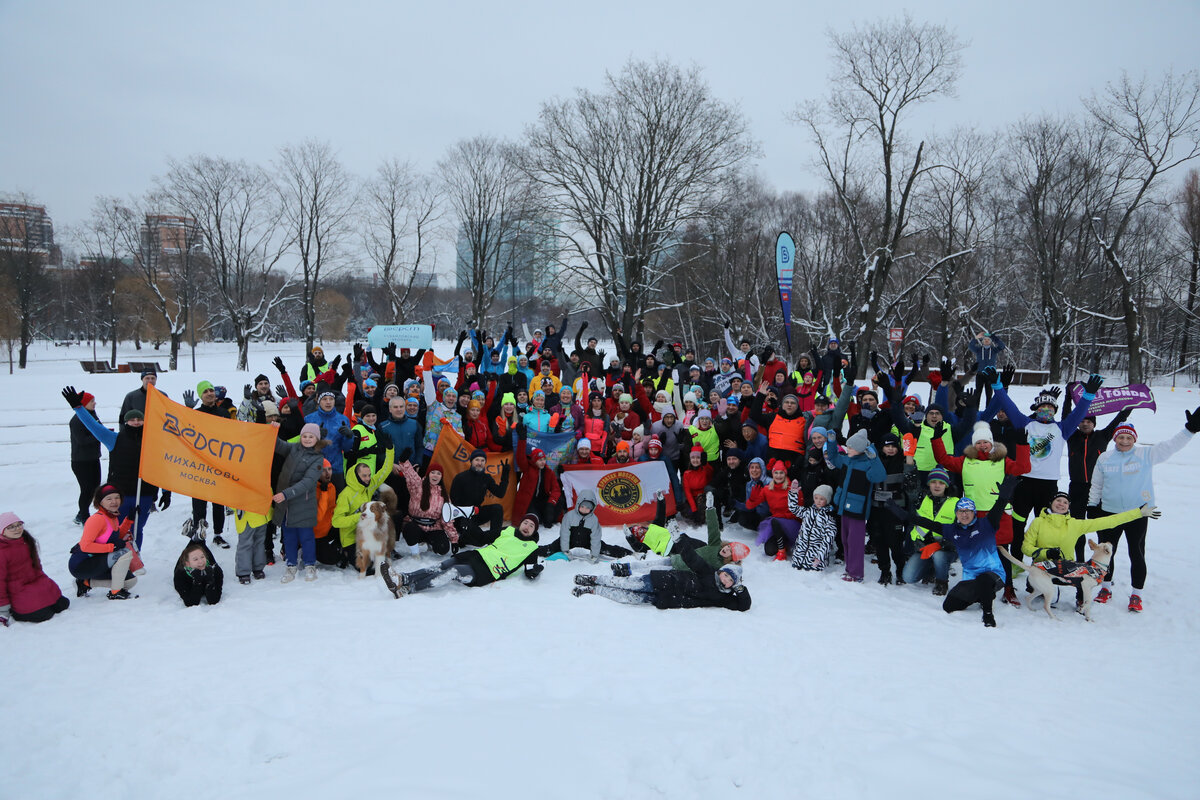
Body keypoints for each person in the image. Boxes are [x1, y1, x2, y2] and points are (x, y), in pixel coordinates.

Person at [1088, 411, 1199, 612]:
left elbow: (1170, 446)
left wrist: (1189, 430)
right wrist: (1092, 505)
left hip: (1138, 513)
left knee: (1136, 553)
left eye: (1128, 438)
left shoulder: (1145, 455)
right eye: (1121, 437)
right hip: (1109, 514)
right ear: (1115, 438)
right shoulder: (1105, 457)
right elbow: (1097, 484)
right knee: (1105, 554)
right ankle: (1105, 588)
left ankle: (1136, 595)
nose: (1124, 441)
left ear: (1134, 439)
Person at [887, 477, 1019, 627]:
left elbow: (998, 507)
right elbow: (924, 522)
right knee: (949, 606)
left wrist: (1003, 497)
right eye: (961, 511)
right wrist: (902, 514)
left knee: (984, 580)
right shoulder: (952, 530)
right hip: (971, 577)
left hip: (994, 574)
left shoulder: (987, 524)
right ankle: (984, 595)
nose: (964, 515)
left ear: (974, 513)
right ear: (956, 514)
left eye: (968, 511)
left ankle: (987, 614)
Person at [63, 387, 170, 548]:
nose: (135, 422)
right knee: (115, 529)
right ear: (126, 422)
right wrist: (78, 408)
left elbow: (161, 468)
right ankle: (115, 556)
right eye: (132, 420)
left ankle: (135, 556)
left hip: (145, 494)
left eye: (139, 419)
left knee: (137, 529)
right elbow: (93, 426)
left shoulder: (154, 441)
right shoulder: (114, 439)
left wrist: (166, 491)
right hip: (120, 495)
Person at [1022, 491, 1157, 609]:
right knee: (1046, 596)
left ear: (1069, 507)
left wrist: (1138, 513)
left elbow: (1108, 521)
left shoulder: (1074, 524)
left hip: (1065, 570)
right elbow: (1025, 547)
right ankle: (1041, 588)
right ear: (1051, 503)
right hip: (1041, 569)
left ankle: (1080, 599)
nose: (1061, 504)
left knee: (1082, 575)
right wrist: (1046, 553)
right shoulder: (1038, 522)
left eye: (1065, 502)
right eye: (1058, 500)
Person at [380, 512, 544, 597]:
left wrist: (535, 572)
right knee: (443, 565)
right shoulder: (508, 530)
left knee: (454, 572)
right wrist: (469, 526)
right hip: (476, 556)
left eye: (531, 526)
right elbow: (482, 538)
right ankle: (403, 578)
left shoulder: (531, 548)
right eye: (525, 522)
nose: (527, 526)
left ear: (534, 530)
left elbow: (529, 571)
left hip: (488, 571)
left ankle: (409, 589)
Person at [572, 545, 751, 612]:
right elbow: (694, 560)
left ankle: (594, 590)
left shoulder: (723, 597)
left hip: (668, 598)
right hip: (664, 580)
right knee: (627, 584)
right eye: (726, 574)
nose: (726, 579)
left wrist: (741, 591)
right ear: (721, 572)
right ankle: (594, 579)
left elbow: (743, 606)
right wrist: (680, 543)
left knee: (628, 598)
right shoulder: (708, 572)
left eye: (730, 580)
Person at [825, 429, 887, 583]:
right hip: (843, 506)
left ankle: (856, 573)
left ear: (860, 449)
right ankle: (849, 568)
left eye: (851, 447)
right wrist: (832, 443)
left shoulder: (867, 464)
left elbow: (880, 476)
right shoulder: (847, 459)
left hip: (857, 509)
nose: (848, 449)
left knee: (855, 542)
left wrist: (874, 459)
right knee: (845, 539)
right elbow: (832, 458)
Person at [272, 423, 328, 583]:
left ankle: (310, 564)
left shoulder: (318, 458)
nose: (307, 439)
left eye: (311, 436)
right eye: (305, 436)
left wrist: (285, 494)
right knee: (288, 536)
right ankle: (291, 564)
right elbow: (277, 444)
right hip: (286, 503)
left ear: (317, 439)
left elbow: (308, 482)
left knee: (306, 537)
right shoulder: (293, 448)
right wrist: (272, 429)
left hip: (303, 503)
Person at [68, 484, 139, 600]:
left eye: (117, 497)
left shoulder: (112, 516)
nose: (114, 501)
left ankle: (85, 583)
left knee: (130, 581)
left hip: (98, 561)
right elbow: (85, 546)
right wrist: (112, 547)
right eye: (109, 499)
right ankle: (115, 592)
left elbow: (115, 537)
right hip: (82, 564)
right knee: (125, 553)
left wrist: (129, 520)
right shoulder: (97, 519)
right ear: (100, 502)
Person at [0, 512, 68, 625]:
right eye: (11, 527)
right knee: (44, 615)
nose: (17, 529)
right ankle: (16, 610)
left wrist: (47, 584)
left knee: (63, 605)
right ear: (2, 531)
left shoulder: (26, 541)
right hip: (16, 590)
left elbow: (37, 567)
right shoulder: (2, 552)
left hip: (34, 583)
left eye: (19, 525)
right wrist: (3, 608)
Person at [900, 468, 959, 595]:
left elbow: (960, 532)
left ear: (946, 485)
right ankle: (930, 569)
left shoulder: (956, 503)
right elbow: (910, 485)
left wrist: (942, 545)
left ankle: (942, 582)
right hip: (924, 547)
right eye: (934, 482)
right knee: (908, 577)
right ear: (929, 484)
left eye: (941, 483)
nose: (937, 486)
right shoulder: (921, 498)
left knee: (939, 556)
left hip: (945, 548)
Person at [539, 489, 632, 561]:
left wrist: (594, 554)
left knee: (606, 549)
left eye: (587, 508)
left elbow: (595, 537)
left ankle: (628, 553)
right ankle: (530, 551)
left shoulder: (593, 520)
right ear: (578, 504)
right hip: (570, 540)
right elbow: (564, 534)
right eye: (582, 506)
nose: (584, 509)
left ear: (592, 508)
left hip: (588, 541)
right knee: (549, 549)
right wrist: (565, 550)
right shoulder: (569, 516)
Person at [449, 449, 511, 547]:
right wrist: (462, 517)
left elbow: (500, 493)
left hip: (476, 513)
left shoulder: (486, 478)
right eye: (477, 460)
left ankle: (495, 539)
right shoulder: (460, 477)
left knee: (497, 508)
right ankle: (463, 536)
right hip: (462, 517)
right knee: (479, 542)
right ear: (471, 461)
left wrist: (505, 475)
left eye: (482, 461)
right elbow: (454, 501)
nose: (479, 463)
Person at [397, 461, 459, 557]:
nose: (435, 475)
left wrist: (454, 540)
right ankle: (415, 553)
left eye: (439, 474)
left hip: (433, 528)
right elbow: (411, 475)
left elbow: (447, 519)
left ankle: (431, 543)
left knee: (443, 548)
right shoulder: (417, 486)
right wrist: (404, 461)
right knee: (410, 529)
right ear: (428, 474)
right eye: (433, 472)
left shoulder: (444, 495)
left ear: (441, 477)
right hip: (416, 526)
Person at [68, 389, 102, 525]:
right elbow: (82, 440)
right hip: (81, 461)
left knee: (95, 487)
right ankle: (83, 516)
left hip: (93, 458)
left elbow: (99, 429)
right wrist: (99, 435)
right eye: (92, 401)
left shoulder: (92, 415)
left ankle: (81, 513)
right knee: (86, 489)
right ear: (84, 404)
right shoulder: (77, 420)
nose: (95, 403)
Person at [787, 484, 840, 571]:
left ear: (827, 500)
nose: (818, 501)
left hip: (815, 557)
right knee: (796, 571)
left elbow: (827, 540)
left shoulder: (829, 518)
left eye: (822, 499)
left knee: (811, 572)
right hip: (800, 554)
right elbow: (793, 508)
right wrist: (793, 494)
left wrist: (820, 557)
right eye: (816, 498)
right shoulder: (808, 512)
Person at [173, 540, 223, 607]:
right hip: (184, 565)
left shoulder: (215, 570)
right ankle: (195, 538)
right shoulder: (180, 575)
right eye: (195, 559)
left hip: (206, 559)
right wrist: (197, 582)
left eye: (202, 557)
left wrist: (210, 580)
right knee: (193, 550)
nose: (201, 561)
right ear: (188, 564)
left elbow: (214, 601)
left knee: (200, 547)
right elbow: (191, 603)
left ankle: (197, 538)